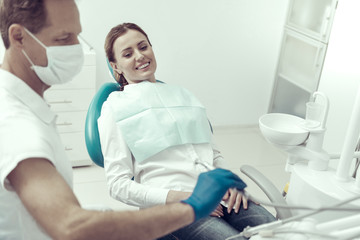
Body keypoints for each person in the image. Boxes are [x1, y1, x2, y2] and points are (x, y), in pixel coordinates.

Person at [0, 1, 249, 239]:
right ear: (19, 37)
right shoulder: (16, 125)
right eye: (65, 38)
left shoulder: (29, 105)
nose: (77, 47)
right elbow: (71, 226)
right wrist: (190, 205)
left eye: (77, 35)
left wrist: (225, 183)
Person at [99, 22, 276, 240]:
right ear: (115, 66)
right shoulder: (115, 107)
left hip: (219, 194)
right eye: (128, 54)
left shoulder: (183, 96)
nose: (139, 56)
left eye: (143, 47)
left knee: (281, 231)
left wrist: (229, 183)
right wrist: (185, 198)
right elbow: (118, 185)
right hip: (173, 206)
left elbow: (214, 154)